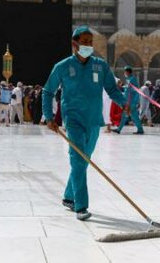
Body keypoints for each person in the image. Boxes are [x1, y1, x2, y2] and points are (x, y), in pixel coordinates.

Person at [42, 26, 128, 221]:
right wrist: (49, 117)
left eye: (91, 42)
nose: (89, 45)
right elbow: (47, 92)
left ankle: (68, 196)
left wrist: (124, 103)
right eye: (85, 42)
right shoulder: (62, 67)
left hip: (94, 121)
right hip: (74, 121)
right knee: (78, 160)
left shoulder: (100, 66)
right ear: (75, 44)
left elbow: (112, 89)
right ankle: (81, 206)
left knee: (83, 161)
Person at [112, 66, 144, 135]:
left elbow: (134, 91)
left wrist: (134, 102)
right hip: (129, 101)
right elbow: (128, 90)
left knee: (125, 115)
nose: (124, 73)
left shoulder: (132, 79)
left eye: (125, 72)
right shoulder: (129, 79)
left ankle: (119, 129)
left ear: (127, 72)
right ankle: (140, 129)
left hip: (131, 102)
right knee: (134, 116)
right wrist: (122, 87)